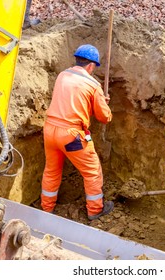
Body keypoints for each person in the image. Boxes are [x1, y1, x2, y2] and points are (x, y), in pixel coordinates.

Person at [41, 44, 114, 221]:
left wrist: (94, 100)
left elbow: (71, 102)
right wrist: (103, 103)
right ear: (91, 65)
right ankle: (95, 210)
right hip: (72, 135)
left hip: (50, 129)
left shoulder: (62, 75)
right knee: (92, 172)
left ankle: (46, 208)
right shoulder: (93, 84)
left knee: (51, 170)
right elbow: (104, 117)